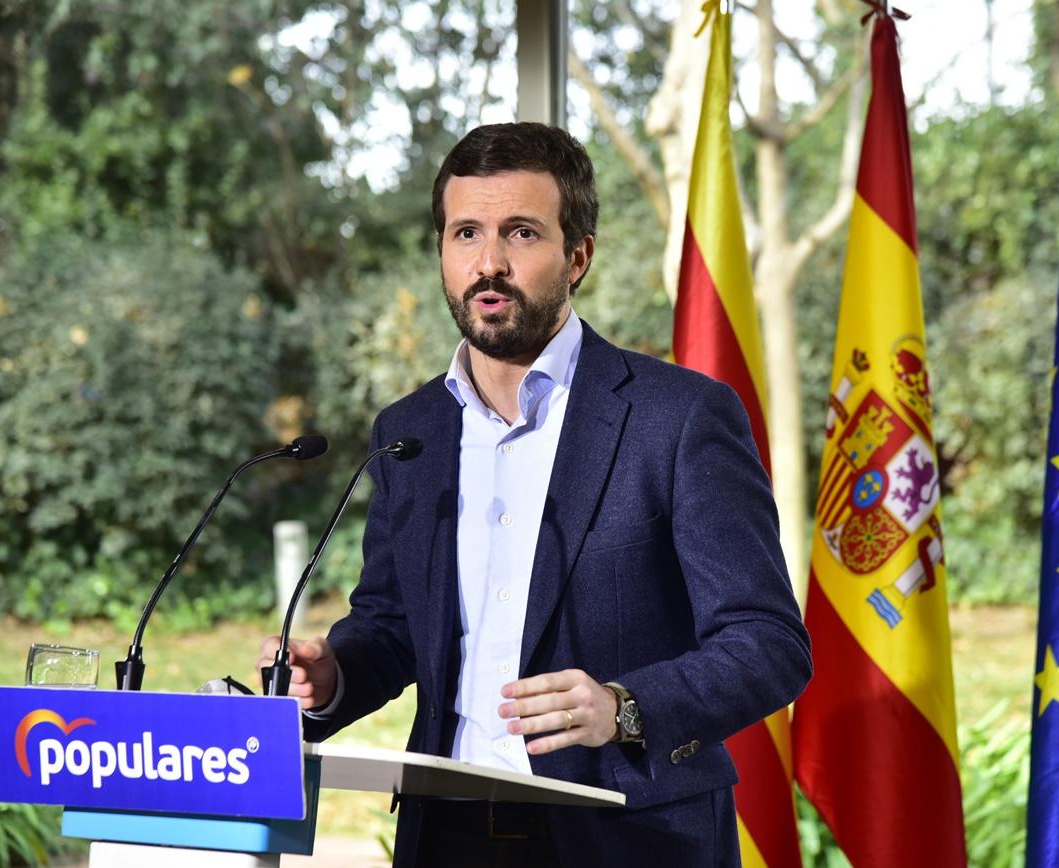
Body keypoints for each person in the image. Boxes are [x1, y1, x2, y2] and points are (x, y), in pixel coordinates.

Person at [258, 122, 811, 868]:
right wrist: (333, 677)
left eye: (520, 233)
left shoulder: (678, 419)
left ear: (577, 255)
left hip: (627, 838)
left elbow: (768, 644)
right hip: (446, 835)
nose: (488, 263)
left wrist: (624, 707)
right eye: (465, 234)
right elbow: (391, 624)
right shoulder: (409, 432)